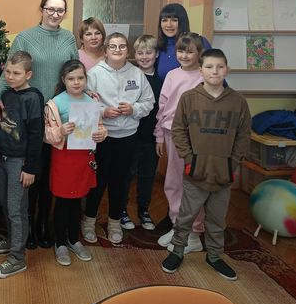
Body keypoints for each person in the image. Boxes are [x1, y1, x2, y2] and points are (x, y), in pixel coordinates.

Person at [0, 0, 78, 249]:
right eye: (50, 9)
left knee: (51, 173)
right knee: (31, 174)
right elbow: (9, 70)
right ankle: (27, 228)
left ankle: (43, 224)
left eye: (60, 10)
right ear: (41, 9)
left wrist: (87, 94)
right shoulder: (25, 37)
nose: (55, 14)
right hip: (29, 115)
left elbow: (74, 71)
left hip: (57, 116)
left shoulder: (69, 38)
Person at [161, 48, 250, 280]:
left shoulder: (238, 102)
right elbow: (178, 130)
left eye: (220, 67)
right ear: (200, 70)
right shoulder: (189, 98)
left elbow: (243, 136)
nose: (215, 71)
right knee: (186, 216)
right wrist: (190, 159)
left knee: (217, 219)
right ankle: (177, 251)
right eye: (209, 67)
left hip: (223, 174)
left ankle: (214, 256)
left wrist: (232, 163)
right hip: (196, 171)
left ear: (227, 70)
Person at [83, 32, 153, 244]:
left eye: (122, 46)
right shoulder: (94, 74)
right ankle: (88, 221)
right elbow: (84, 102)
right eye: (113, 46)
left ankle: (114, 222)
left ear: (128, 50)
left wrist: (133, 109)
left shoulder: (137, 74)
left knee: (120, 182)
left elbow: (149, 102)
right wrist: (103, 112)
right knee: (97, 181)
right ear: (105, 51)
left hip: (128, 137)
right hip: (102, 137)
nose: (117, 50)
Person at [45, 60, 107, 266]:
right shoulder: (56, 103)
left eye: (80, 78)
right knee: (63, 201)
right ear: (64, 80)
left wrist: (101, 134)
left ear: (85, 79)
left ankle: (74, 239)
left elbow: (99, 126)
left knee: (78, 200)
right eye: (71, 78)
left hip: (84, 158)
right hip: (64, 158)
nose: (76, 82)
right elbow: (46, 134)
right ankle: (60, 243)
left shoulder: (91, 100)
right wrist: (60, 131)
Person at [0, 51, 44, 278]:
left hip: (20, 163)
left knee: (16, 209)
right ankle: (12, 241)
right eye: (8, 72)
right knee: (4, 203)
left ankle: (17, 258)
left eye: (16, 73)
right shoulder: (7, 94)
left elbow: (36, 135)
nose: (10, 77)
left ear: (28, 74)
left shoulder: (33, 98)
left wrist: (30, 167)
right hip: (3, 158)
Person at [154, 33, 206, 251]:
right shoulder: (172, 75)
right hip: (171, 133)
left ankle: (193, 233)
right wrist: (159, 134)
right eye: (181, 51)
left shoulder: (204, 76)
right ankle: (178, 226)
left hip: (196, 137)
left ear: (199, 53)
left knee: (193, 184)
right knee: (173, 182)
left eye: (190, 51)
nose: (184, 55)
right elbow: (162, 106)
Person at [119, 35, 163, 231]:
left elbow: (163, 110)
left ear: (156, 54)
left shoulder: (161, 81)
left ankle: (144, 210)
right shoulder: (130, 76)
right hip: (130, 135)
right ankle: (121, 209)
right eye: (140, 53)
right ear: (134, 55)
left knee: (147, 175)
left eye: (149, 52)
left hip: (151, 137)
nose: (144, 57)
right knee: (127, 174)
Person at [156, 3, 211, 80]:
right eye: (164, 20)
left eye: (174, 20)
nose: (168, 25)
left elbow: (214, 72)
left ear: (182, 22)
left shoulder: (199, 42)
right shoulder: (158, 46)